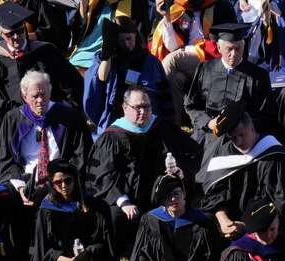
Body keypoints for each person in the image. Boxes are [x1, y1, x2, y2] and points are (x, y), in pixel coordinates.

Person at [85, 85, 202, 250]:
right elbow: (101, 176)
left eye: (146, 106)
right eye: (137, 107)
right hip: (128, 199)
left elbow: (191, 151)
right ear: (125, 108)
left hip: (161, 194)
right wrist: (123, 201)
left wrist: (179, 171)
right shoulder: (112, 136)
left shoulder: (161, 127)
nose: (143, 111)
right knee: (114, 215)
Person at [0, 70, 91, 210]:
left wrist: (56, 181)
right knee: (2, 199)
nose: (40, 100)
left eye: (43, 94)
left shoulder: (69, 116)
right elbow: (6, 159)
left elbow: (80, 155)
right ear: (25, 96)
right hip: (23, 177)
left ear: (50, 92)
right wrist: (21, 187)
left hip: (59, 178)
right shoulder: (13, 119)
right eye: (35, 96)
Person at [198, 107, 285, 241]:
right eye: (233, 138)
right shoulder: (224, 152)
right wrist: (223, 219)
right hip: (230, 225)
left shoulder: (273, 156)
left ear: (252, 128)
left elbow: (281, 203)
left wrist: (248, 226)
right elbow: (215, 193)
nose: (238, 142)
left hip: (265, 230)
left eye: (241, 135)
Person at [0, 2, 83, 121]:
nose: (16, 37)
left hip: (50, 118)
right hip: (13, 123)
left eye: (20, 31)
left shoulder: (46, 51)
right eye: (9, 34)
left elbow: (72, 86)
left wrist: (55, 109)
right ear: (0, 33)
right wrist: (22, 113)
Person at [184, 23, 270, 149]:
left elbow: (266, 114)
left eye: (238, 48)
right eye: (229, 49)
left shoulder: (258, 76)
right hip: (208, 135)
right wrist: (208, 123)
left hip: (242, 138)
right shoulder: (205, 69)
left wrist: (241, 125)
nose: (234, 54)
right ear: (219, 48)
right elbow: (191, 105)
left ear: (244, 46)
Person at [81, 16, 172, 133]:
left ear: (135, 35)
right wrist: (107, 53)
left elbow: (164, 98)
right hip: (114, 120)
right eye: (120, 41)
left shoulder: (150, 62)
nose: (126, 44)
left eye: (129, 39)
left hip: (145, 120)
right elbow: (100, 79)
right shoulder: (107, 59)